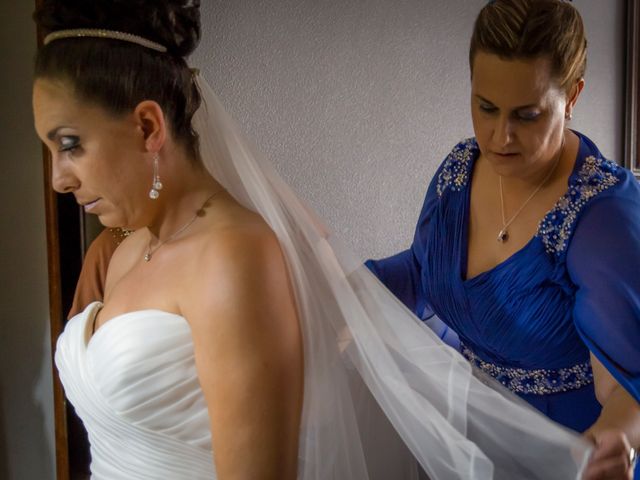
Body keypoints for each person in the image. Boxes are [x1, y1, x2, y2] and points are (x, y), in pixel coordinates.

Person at [33, 1, 597, 479]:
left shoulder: (233, 258)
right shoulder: (124, 249)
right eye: (52, 148)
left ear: (149, 126)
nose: (58, 177)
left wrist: (350, 296)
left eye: (71, 144)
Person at [366, 1, 640, 479]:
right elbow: (422, 272)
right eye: (485, 107)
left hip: (566, 449)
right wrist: (338, 284)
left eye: (527, 115)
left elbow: (627, 386)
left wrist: (612, 438)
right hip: (467, 432)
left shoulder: (604, 218)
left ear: (572, 97)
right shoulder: (458, 172)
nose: (499, 136)